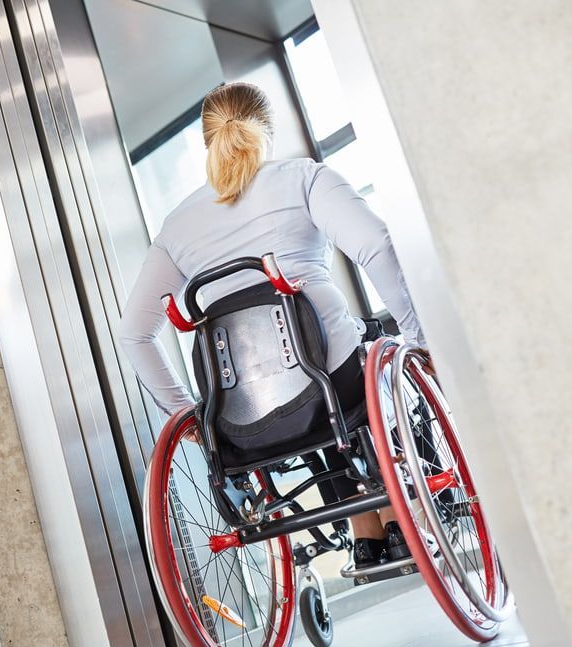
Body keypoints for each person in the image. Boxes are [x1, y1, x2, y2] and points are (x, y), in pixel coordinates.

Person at [120, 82, 430, 571]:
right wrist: (417, 337)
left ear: (207, 140)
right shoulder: (302, 178)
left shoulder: (177, 226)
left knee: (308, 396)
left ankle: (366, 534)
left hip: (239, 414)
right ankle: (399, 520)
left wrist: (190, 415)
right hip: (333, 381)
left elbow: (135, 335)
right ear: (267, 128)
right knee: (361, 368)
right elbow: (375, 245)